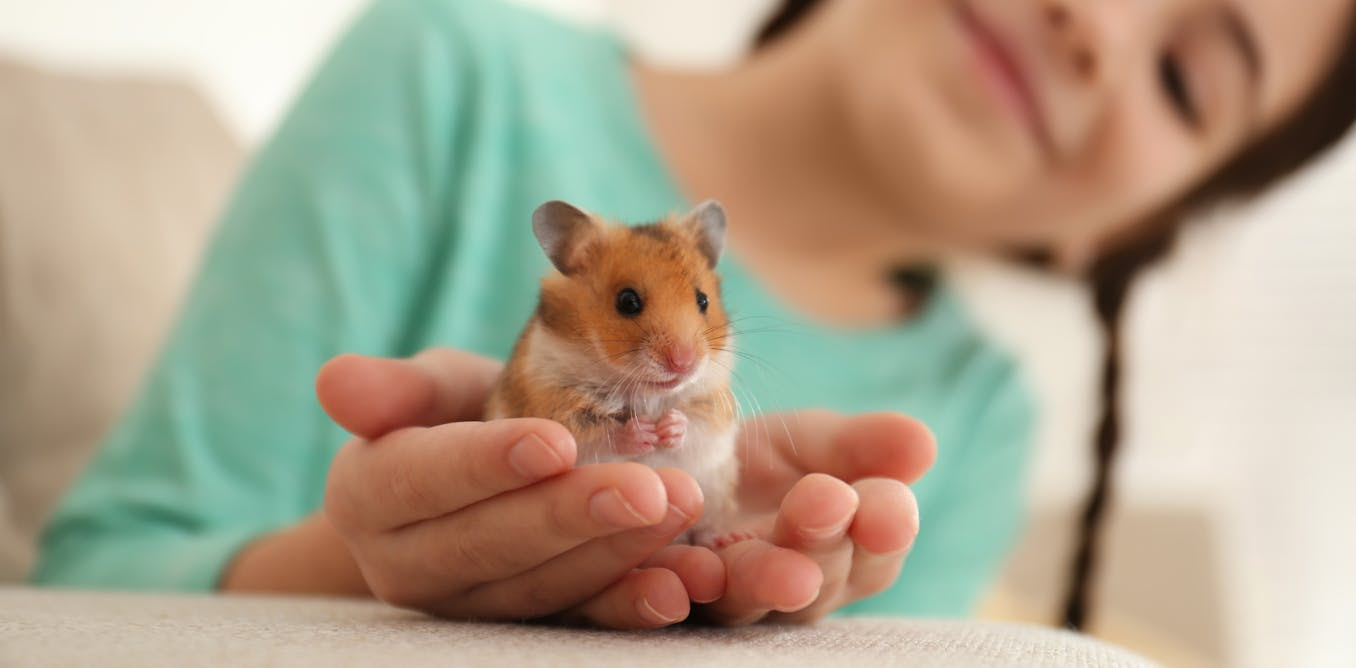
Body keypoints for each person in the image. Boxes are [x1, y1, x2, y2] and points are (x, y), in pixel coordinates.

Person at [33, 0, 1356, 630]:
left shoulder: (975, 416)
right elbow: (89, 583)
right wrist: (379, 559)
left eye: (1187, 77)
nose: (1102, 24)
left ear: (1122, 235)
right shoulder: (449, 70)